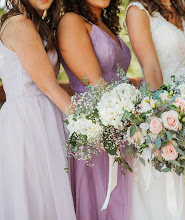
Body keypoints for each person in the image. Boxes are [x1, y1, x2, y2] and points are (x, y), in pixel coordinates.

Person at [125, 0, 185, 219]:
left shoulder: (180, 10)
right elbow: (151, 69)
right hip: (164, 120)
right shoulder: (138, 11)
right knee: (167, 199)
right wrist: (163, 124)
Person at [0, 0, 76, 219]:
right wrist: (90, 124)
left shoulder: (38, 24)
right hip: (28, 121)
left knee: (49, 195)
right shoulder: (20, 24)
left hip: (46, 115)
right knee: (34, 196)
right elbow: (49, 86)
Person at [57, 0, 132, 219]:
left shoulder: (102, 22)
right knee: (102, 202)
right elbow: (96, 84)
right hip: (94, 128)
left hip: (122, 124)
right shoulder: (71, 22)